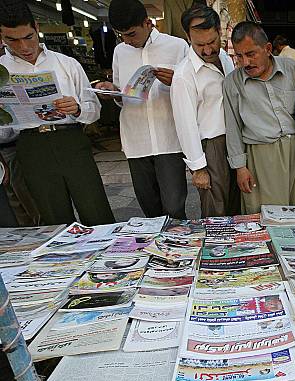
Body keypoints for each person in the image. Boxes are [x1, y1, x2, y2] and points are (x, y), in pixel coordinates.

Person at [0, 2, 114, 226]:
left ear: (36, 26)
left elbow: (94, 110)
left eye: (28, 36)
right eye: (13, 40)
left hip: (70, 138)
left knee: (95, 207)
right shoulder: (1, 70)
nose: (24, 46)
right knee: (53, 214)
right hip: (30, 145)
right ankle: (65, 259)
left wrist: (78, 108)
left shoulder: (66, 64)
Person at [96, 0, 189, 219]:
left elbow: (192, 93)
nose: (127, 41)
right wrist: (112, 91)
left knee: (174, 206)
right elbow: (122, 93)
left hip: (169, 138)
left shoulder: (177, 46)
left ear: (148, 23)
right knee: (150, 208)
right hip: (136, 139)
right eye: (121, 35)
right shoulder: (120, 51)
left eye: (131, 34)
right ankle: (158, 250)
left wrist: (175, 82)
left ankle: (179, 249)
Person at [223, 22, 295, 214]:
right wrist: (240, 168)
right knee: (264, 215)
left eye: (251, 54)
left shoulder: (292, 69)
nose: (245, 62)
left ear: (268, 49)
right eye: (239, 56)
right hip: (260, 156)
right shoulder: (233, 82)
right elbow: (233, 126)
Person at [171, 3, 239, 217]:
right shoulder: (184, 74)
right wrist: (198, 168)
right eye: (200, 44)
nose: (208, 50)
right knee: (215, 210)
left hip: (234, 141)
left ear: (219, 31)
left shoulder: (226, 59)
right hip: (211, 148)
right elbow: (185, 124)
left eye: (212, 41)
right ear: (188, 37)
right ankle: (217, 250)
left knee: (237, 205)